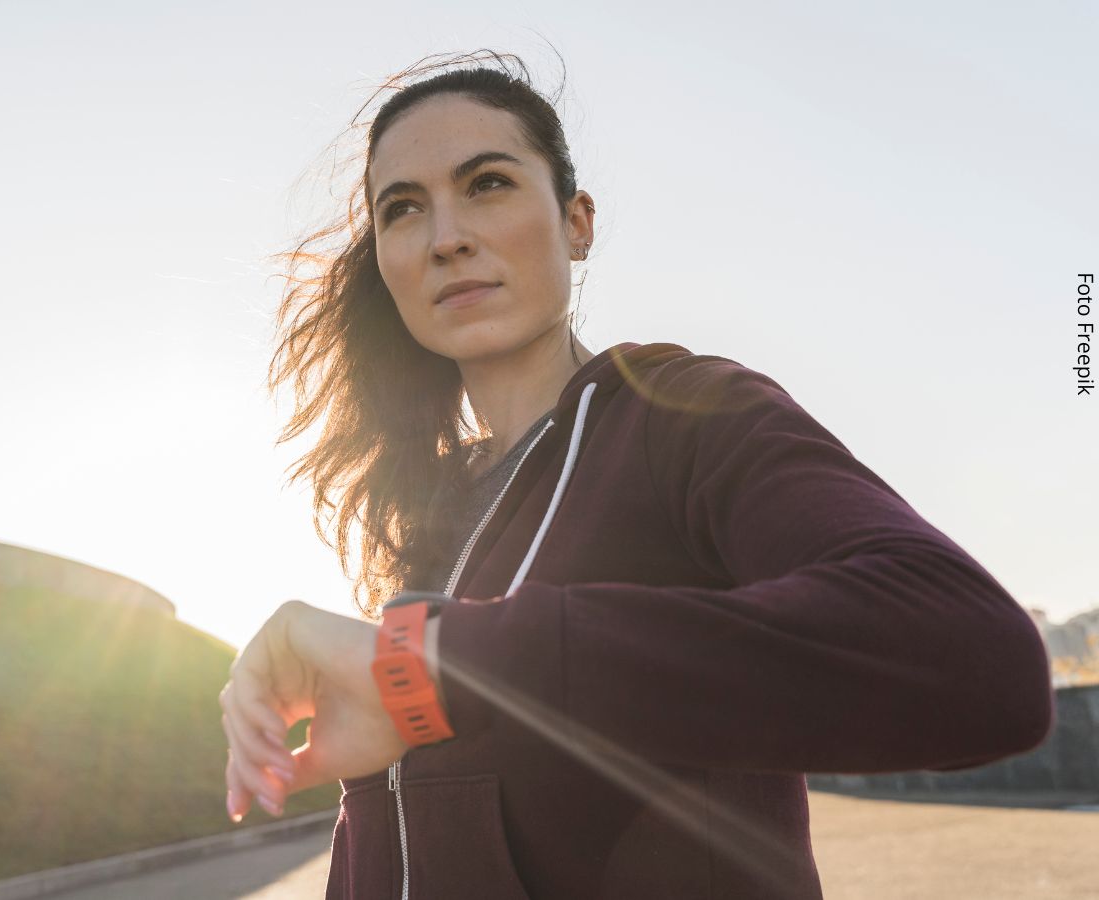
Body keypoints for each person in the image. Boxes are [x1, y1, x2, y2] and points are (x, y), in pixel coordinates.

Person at [218, 50, 1055, 899]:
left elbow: (976, 659)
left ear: (576, 223)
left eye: (489, 184)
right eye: (403, 208)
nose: (447, 238)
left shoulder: (685, 414)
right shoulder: (430, 517)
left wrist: (438, 661)